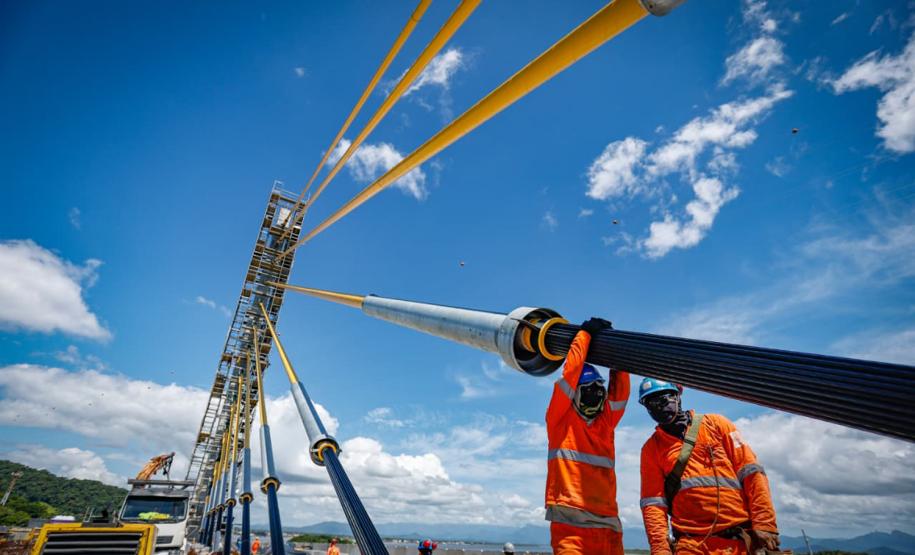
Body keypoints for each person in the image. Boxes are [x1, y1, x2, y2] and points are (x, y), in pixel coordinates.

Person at [638, 378, 781, 555]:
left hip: (738, 540)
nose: (659, 407)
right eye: (651, 404)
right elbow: (653, 503)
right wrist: (660, 549)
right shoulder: (651, 449)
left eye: (664, 400)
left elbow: (751, 472)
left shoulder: (717, 424)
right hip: (690, 545)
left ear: (677, 396)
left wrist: (765, 521)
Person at [545, 317, 630, 554]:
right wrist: (584, 335)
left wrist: (617, 349)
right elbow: (570, 375)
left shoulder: (606, 422)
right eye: (588, 388)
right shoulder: (560, 419)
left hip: (608, 523)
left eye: (598, 388)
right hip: (570, 524)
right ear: (576, 393)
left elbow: (620, 391)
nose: (595, 393)